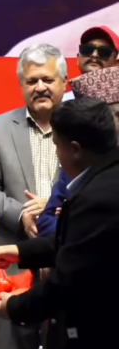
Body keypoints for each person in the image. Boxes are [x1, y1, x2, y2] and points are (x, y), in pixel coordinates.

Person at [0, 98, 119, 349]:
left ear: (75, 149)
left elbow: (69, 279)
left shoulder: (97, 197)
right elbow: (79, 244)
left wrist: (15, 307)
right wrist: (21, 251)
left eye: (56, 145)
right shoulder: (103, 180)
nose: (56, 154)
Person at [0, 43, 69, 349]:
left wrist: (55, 207)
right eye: (32, 81)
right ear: (21, 85)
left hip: (69, 259)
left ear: (64, 81)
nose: (40, 87)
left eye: (48, 79)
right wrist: (22, 213)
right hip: (13, 264)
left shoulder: (84, 125)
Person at [38, 65, 119, 237]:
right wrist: (71, 221)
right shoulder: (77, 162)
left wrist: (74, 218)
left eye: (116, 116)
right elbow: (46, 220)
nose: (112, 123)